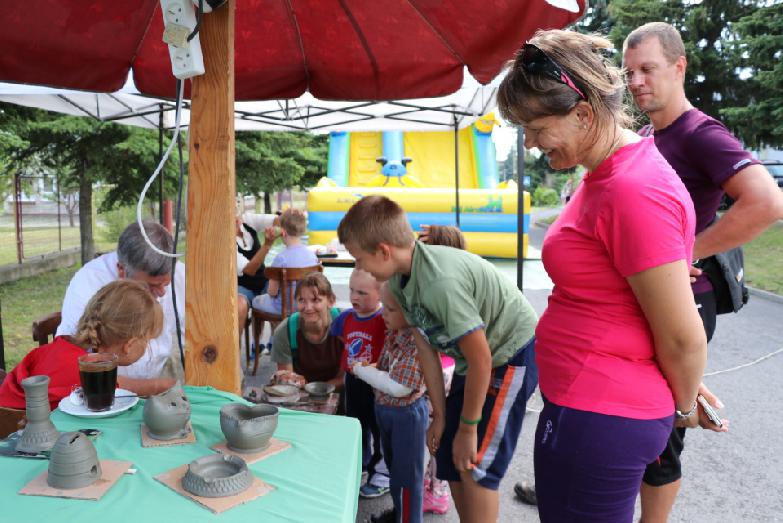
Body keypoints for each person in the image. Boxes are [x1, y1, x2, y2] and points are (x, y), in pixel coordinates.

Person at [496, 29, 708, 522]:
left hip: (602, 413)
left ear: (584, 114)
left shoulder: (633, 189)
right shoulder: (608, 175)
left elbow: (682, 336)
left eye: (535, 128)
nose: (529, 145)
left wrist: (681, 405)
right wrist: (682, 388)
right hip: (590, 404)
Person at [622, 22, 783, 522]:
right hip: (650, 298)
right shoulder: (652, 134)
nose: (636, 82)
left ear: (678, 66)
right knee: (634, 413)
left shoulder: (699, 132)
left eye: (647, 69)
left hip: (686, 300)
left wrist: (688, 250)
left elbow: (766, 201)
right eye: (629, 73)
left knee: (662, 428)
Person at [337, 195, 539, 523]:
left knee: (476, 464)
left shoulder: (440, 283)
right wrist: (441, 417)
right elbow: (426, 352)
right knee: (450, 453)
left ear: (383, 251)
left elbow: (483, 360)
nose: (360, 268)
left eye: (360, 260)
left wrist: (469, 428)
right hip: (472, 361)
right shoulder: (400, 282)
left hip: (508, 353)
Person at [0, 280, 172, 410]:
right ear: (130, 345)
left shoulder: (64, 347)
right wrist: (162, 386)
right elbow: (116, 386)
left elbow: (120, 384)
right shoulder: (86, 375)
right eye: (147, 341)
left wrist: (160, 385)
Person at [57, 221, 186, 381]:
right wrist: (152, 387)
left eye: (166, 284)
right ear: (122, 269)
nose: (161, 292)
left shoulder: (180, 274)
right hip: (103, 388)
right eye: (150, 286)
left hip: (156, 377)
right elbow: (76, 365)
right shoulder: (88, 282)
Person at [353, 283, 427, 523]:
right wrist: (370, 369)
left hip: (406, 414)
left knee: (407, 478)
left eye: (390, 309)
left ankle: (408, 518)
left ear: (411, 312)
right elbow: (385, 369)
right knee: (395, 470)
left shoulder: (416, 343)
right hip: (386, 410)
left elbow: (398, 386)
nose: (383, 313)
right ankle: (399, 513)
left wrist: (362, 372)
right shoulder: (395, 332)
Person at [330, 269, 390, 498]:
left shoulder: (385, 319)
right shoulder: (346, 317)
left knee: (380, 429)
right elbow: (341, 336)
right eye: (352, 290)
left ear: (381, 294)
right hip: (353, 382)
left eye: (363, 293)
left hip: (375, 384)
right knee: (357, 424)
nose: (354, 297)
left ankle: (383, 474)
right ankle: (362, 464)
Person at [270, 272, 344, 389]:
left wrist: (322, 388)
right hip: (300, 393)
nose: (308, 308)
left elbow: (345, 376)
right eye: (301, 300)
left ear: (331, 301)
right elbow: (288, 381)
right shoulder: (285, 331)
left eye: (316, 300)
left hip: (339, 391)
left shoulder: (345, 324)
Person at [252, 208, 318, 316]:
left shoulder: (280, 258)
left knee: (256, 301)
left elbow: (272, 292)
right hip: (306, 306)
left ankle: (277, 331)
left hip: (283, 308)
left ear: (282, 232)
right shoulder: (312, 256)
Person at [235, 211, 279, 344]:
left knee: (277, 294)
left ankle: (275, 341)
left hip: (262, 281)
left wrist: (278, 227)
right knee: (239, 306)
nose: (234, 216)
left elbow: (277, 220)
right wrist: (267, 245)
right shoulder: (223, 240)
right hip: (241, 286)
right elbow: (250, 270)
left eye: (234, 211)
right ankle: (235, 352)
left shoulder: (247, 220)